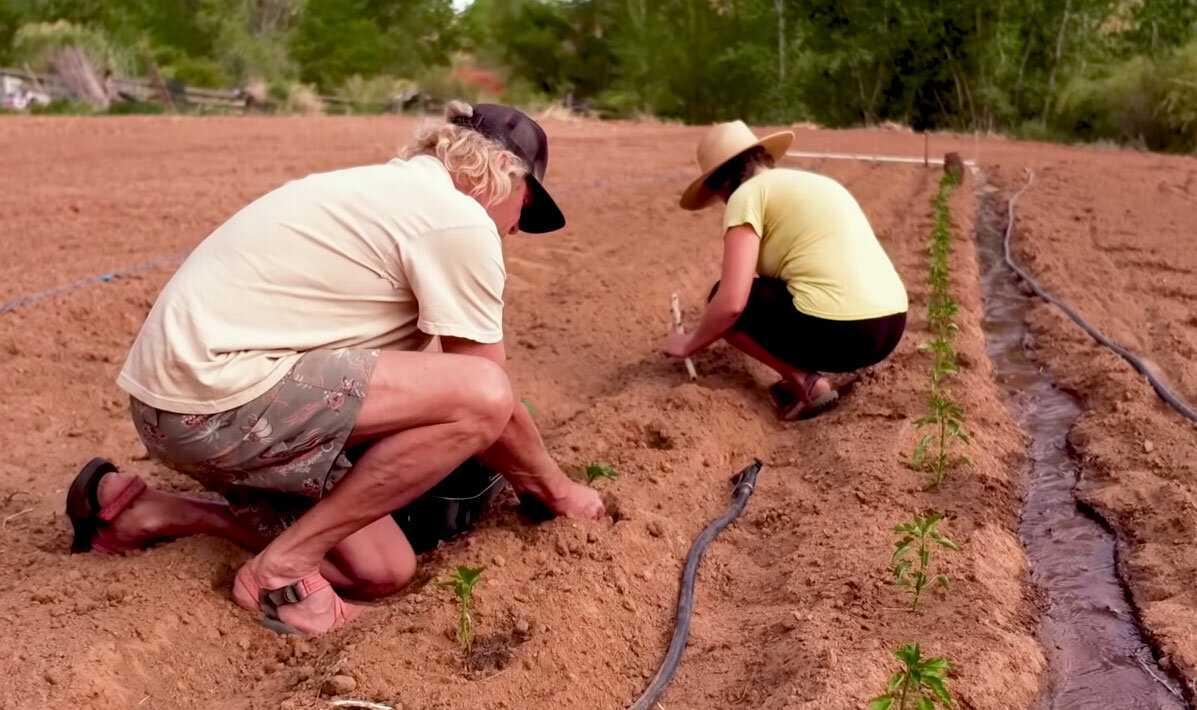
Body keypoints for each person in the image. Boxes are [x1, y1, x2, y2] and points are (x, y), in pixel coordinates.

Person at [65, 102, 605, 636]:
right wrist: (559, 493)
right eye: (526, 209)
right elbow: (493, 400)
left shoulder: (389, 192)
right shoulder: (458, 221)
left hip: (178, 407)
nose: (516, 230)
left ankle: (153, 512)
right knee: (482, 391)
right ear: (507, 178)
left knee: (379, 569)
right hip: (220, 400)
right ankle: (283, 570)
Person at [663, 121, 908, 420]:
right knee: (769, 289)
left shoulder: (746, 195)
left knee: (722, 297)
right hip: (890, 327)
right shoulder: (814, 183)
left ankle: (805, 383)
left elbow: (731, 303)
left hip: (845, 332)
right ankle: (805, 373)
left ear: (721, 182)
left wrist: (690, 343)